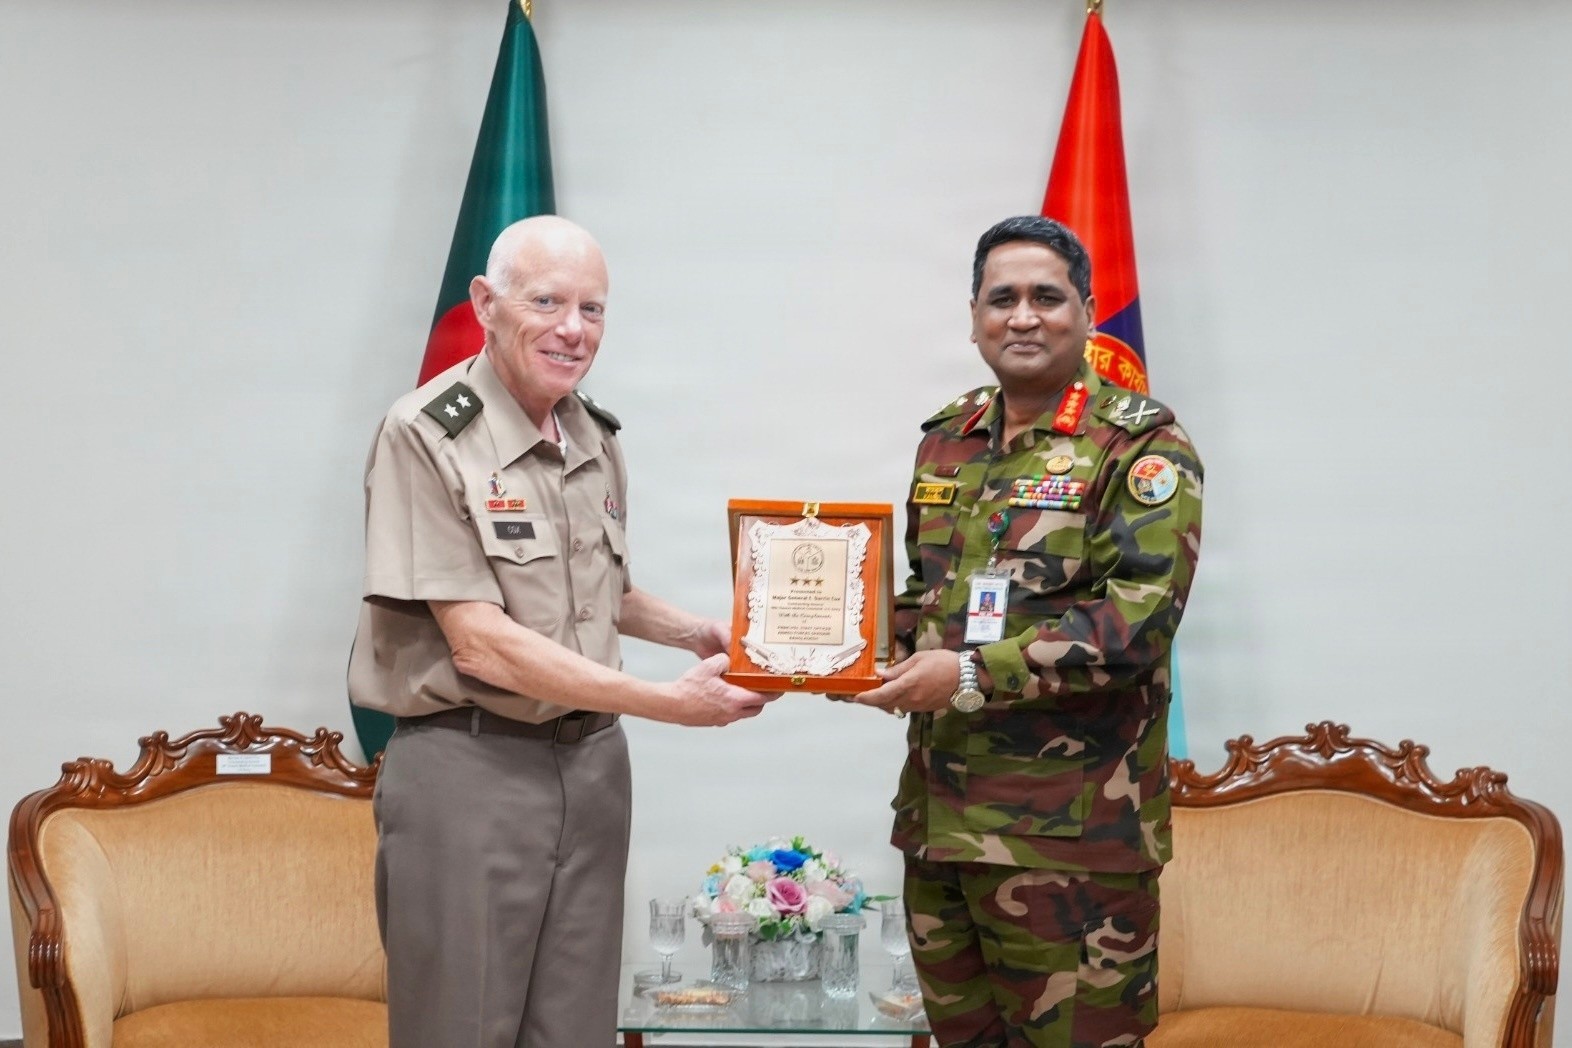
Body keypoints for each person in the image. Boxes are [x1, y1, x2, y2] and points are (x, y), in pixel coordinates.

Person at [348, 216, 777, 1048]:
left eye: (593, 308)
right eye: (546, 302)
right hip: (471, 769)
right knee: (460, 1028)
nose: (573, 329)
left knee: (575, 1029)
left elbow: (599, 593)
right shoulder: (427, 434)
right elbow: (480, 641)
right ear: (486, 304)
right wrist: (664, 702)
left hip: (592, 770)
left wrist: (699, 633)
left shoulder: (590, 433)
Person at [854, 215, 1204, 1047]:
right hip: (941, 826)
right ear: (974, 316)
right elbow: (928, 596)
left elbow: (1136, 622)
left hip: (1072, 844)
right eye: (1001, 298)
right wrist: (854, 652)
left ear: (1086, 312)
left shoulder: (1141, 445)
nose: (1022, 316)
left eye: (1046, 297)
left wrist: (968, 674)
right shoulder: (948, 440)